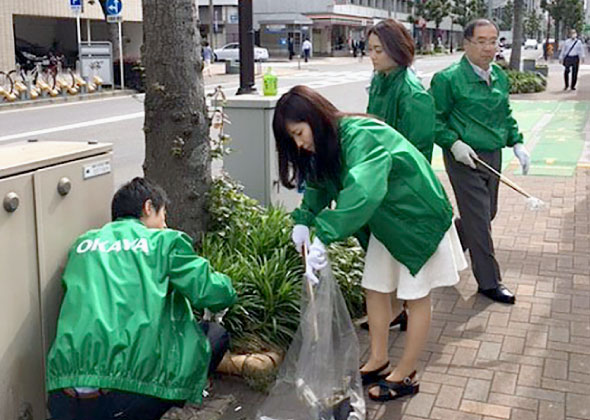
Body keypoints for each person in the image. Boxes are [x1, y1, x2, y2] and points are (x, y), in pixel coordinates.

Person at [276, 86, 467, 401]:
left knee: (415, 296)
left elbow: (363, 190)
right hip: (387, 220)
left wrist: (324, 234)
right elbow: (323, 181)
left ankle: (406, 375)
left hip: (418, 219)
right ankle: (379, 360)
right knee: (375, 287)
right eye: (292, 139)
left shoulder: (360, 135)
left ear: (313, 117)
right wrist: (303, 218)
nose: (299, 143)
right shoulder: (331, 141)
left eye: (299, 132)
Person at [45, 177, 237, 420]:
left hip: (63, 395)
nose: (165, 224)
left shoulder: (83, 245)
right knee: (215, 335)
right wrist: (227, 287)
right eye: (163, 216)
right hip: (123, 398)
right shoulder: (163, 242)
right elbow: (214, 293)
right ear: (148, 207)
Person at [429, 19, 530, 305]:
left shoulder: (498, 76)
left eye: (494, 41)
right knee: (480, 220)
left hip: (492, 154)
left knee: (487, 213)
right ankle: (489, 282)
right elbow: (434, 119)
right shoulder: (447, 79)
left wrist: (517, 142)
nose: (489, 48)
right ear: (467, 44)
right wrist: (453, 143)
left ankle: (446, 250)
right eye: (482, 41)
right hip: (464, 156)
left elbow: (504, 114)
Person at [364, 19, 436, 332]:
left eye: (379, 50)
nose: (373, 56)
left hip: (399, 187)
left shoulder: (411, 93)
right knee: (381, 251)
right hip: (377, 178)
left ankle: (403, 308)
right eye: (370, 49)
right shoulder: (381, 80)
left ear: (397, 49)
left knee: (398, 253)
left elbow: (417, 154)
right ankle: (393, 310)